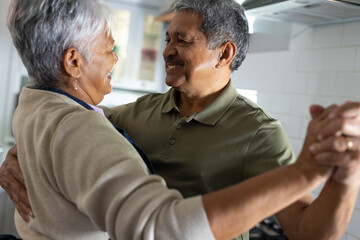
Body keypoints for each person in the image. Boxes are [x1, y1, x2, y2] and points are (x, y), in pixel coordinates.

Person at [0, 0, 359, 240]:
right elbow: (71, 124)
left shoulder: (259, 133)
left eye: (182, 40)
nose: (166, 50)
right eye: (168, 38)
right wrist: (22, 154)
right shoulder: (142, 110)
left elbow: (306, 231)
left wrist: (344, 180)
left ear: (225, 53)